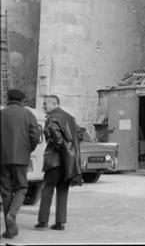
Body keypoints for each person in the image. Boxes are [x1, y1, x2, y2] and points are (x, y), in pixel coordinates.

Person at [35, 95, 82, 231]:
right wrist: (69, 150)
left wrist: (62, 146)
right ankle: (60, 223)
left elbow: (55, 133)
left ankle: (43, 221)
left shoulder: (53, 117)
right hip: (69, 162)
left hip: (55, 160)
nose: (43, 106)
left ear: (54, 104)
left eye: (45, 104)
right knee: (62, 190)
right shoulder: (70, 118)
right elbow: (79, 134)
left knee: (47, 189)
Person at [0, 88, 41, 239]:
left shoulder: (1, 114)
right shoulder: (28, 114)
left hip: (3, 159)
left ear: (8, 98)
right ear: (21, 100)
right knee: (22, 187)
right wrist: (27, 149)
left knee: (5, 191)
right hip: (21, 158)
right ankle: (12, 213)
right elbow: (36, 136)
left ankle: (9, 229)